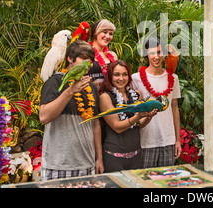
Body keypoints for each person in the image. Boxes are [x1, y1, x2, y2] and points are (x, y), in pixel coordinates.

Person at [39, 40, 104, 181]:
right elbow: (44, 117)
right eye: (83, 58)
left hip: (87, 165)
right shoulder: (54, 82)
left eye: (91, 60)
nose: (88, 64)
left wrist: (99, 158)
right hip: (59, 166)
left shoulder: (91, 87)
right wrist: (70, 91)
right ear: (70, 59)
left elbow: (96, 124)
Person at [98, 60, 158, 172]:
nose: (121, 78)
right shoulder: (105, 97)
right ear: (110, 76)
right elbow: (117, 126)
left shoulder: (136, 94)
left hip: (136, 155)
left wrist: (149, 116)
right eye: (117, 75)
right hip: (114, 157)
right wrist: (139, 116)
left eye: (125, 74)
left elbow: (140, 124)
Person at [132, 38, 182, 168]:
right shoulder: (135, 79)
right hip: (146, 141)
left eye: (160, 52)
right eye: (152, 53)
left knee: (166, 181)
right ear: (146, 55)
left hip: (168, 140)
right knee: (145, 181)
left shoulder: (173, 78)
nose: (157, 57)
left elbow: (175, 108)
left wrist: (177, 140)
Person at [88, 19, 118, 88]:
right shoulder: (86, 52)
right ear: (96, 32)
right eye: (104, 32)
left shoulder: (113, 55)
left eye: (110, 34)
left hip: (110, 93)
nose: (107, 36)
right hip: (91, 95)